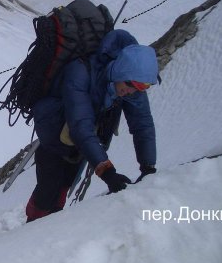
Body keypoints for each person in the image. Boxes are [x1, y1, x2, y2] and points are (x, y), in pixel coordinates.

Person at [26, 29, 159, 222]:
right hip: (54, 133)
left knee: (66, 183)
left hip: (84, 140)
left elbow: (142, 124)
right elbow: (80, 124)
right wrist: (107, 171)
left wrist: (148, 166)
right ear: (122, 71)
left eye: (142, 88)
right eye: (133, 86)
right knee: (49, 187)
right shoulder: (80, 71)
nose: (132, 92)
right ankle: (30, 227)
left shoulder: (129, 84)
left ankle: (50, 226)